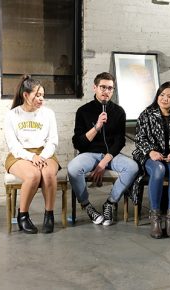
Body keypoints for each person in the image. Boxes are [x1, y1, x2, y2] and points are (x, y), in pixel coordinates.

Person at [67, 72, 138, 226]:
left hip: (111, 156)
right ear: (95, 88)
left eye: (110, 88)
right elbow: (78, 143)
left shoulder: (119, 111)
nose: (106, 91)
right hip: (89, 154)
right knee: (73, 169)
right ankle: (86, 205)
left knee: (132, 167)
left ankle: (110, 203)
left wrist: (104, 162)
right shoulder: (83, 111)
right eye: (103, 87)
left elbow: (119, 141)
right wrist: (97, 127)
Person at [132, 81, 170, 239]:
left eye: (169, 96)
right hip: (151, 156)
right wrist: (151, 152)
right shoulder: (146, 114)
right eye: (162, 95)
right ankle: (155, 219)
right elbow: (139, 138)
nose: (165, 98)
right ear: (157, 96)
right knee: (158, 170)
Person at [4, 75, 60, 234]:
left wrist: (42, 156)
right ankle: (23, 216)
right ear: (26, 95)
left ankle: (49, 215)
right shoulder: (12, 115)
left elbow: (53, 140)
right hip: (19, 155)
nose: (41, 99)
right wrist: (31, 157)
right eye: (37, 95)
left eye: (42, 95)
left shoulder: (48, 113)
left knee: (49, 174)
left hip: (44, 152)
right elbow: (14, 146)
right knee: (33, 175)